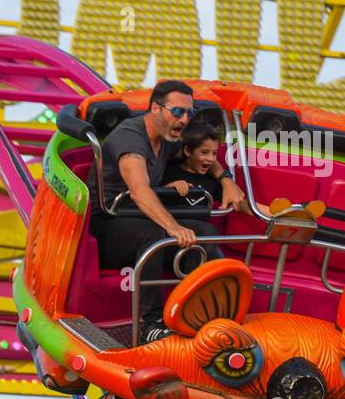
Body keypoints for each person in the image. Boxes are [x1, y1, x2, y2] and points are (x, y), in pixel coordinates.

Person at [86, 80, 247, 343]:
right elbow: (139, 189)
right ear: (155, 109)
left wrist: (226, 180)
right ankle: (150, 323)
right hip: (108, 224)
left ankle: (194, 312)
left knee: (205, 231)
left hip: (136, 217)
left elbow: (206, 154)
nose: (184, 120)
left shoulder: (167, 137)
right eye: (177, 112)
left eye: (189, 113)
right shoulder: (131, 139)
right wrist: (174, 228)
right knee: (155, 234)